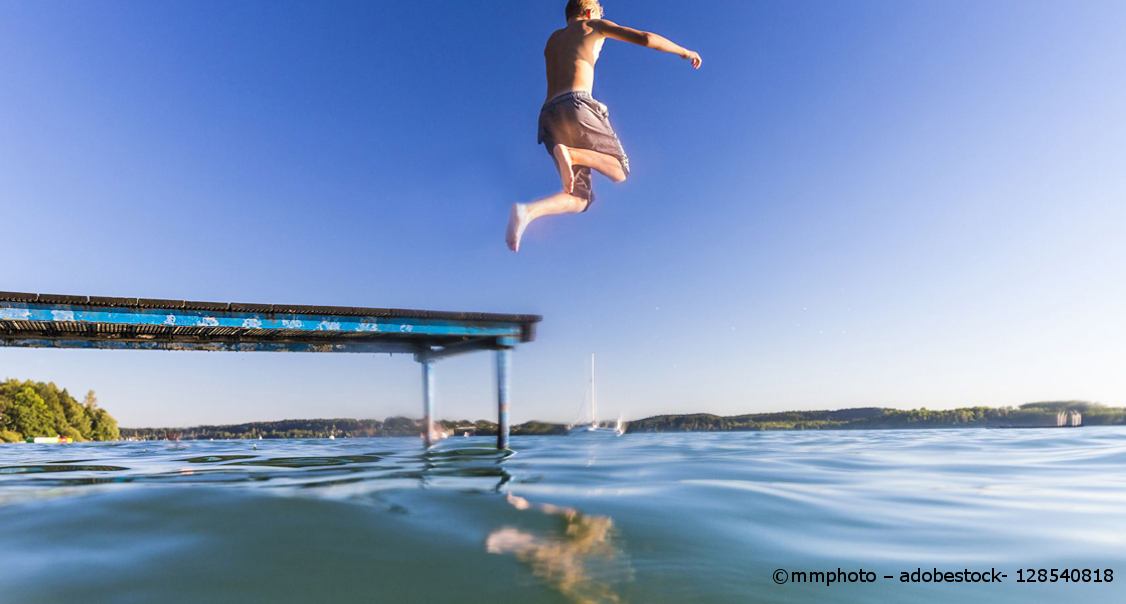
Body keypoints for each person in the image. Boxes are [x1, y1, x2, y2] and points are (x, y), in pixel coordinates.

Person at [505, 0, 702, 252]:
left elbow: (566, 76)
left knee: (579, 199)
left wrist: (594, 106)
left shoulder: (552, 41)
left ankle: (527, 212)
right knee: (621, 169)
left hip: (549, 115)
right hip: (577, 103)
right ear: (589, 12)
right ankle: (572, 153)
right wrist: (685, 51)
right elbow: (645, 37)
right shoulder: (592, 25)